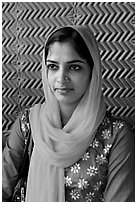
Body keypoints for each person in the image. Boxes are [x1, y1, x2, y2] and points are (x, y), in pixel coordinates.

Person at [2, 25, 135, 202]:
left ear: (93, 72)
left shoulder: (116, 135)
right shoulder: (28, 124)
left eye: (74, 67)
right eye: (53, 66)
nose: (61, 77)